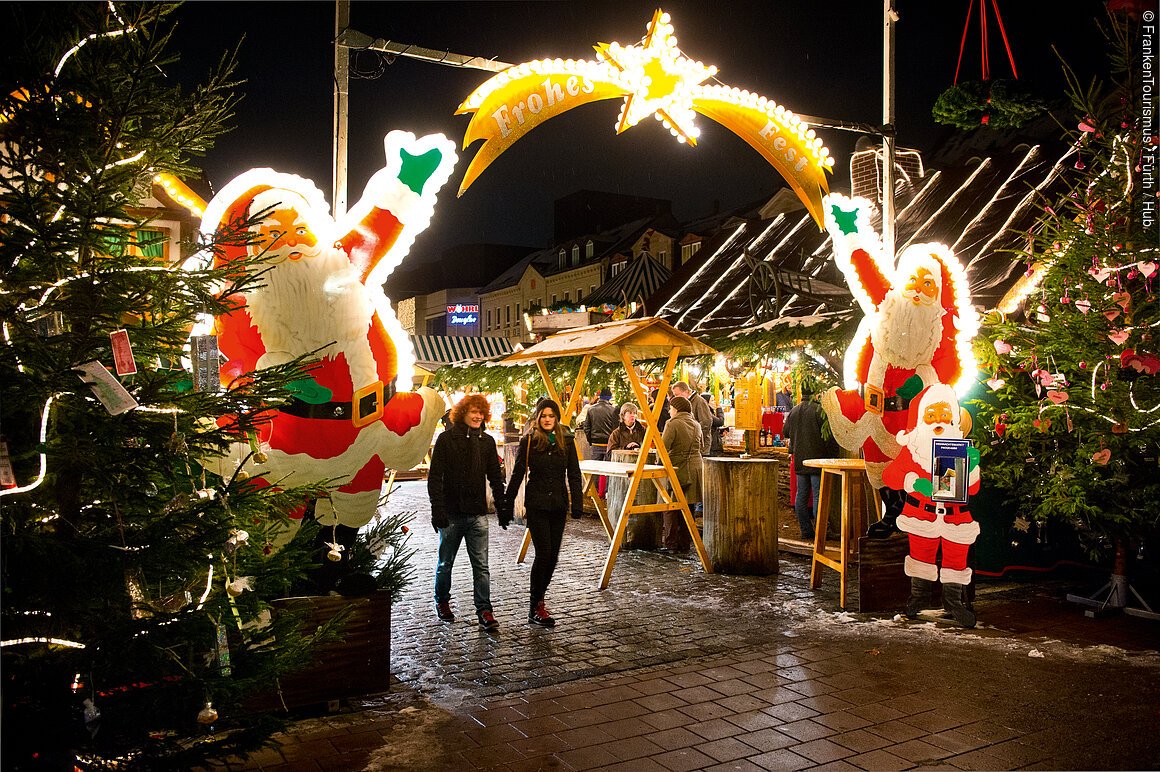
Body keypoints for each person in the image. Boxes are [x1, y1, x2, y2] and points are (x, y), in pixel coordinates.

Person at [882, 383, 981, 628]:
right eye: (932, 415)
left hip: (955, 518)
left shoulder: (960, 451)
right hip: (921, 516)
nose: (939, 421)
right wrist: (914, 483)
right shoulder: (913, 451)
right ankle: (918, 599)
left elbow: (972, 489)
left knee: (956, 560)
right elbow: (890, 476)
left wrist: (972, 469)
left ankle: (953, 602)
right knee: (920, 557)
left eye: (945, 415)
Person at [428, 395, 508, 629]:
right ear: (462, 412)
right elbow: (435, 478)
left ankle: (485, 611)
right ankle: (442, 601)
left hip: (477, 514)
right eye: (473, 411)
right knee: (445, 563)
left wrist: (501, 506)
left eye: (481, 413)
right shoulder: (446, 440)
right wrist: (437, 509)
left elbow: (495, 476)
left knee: (481, 566)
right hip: (452, 514)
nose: (477, 416)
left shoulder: (486, 442)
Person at [505, 398, 584, 626]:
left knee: (553, 557)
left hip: (558, 503)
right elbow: (518, 473)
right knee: (543, 553)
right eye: (544, 416)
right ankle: (536, 605)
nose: (547, 420)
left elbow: (574, 473)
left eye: (551, 416)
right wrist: (507, 503)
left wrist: (576, 503)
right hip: (538, 503)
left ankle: (539, 600)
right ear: (537, 418)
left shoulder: (566, 440)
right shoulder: (529, 440)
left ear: (557, 418)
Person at [783, 386, 840, 540]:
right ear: (815, 393)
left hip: (800, 460)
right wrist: (833, 455)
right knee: (818, 496)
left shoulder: (794, 411)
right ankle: (822, 531)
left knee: (801, 496)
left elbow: (785, 432)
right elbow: (829, 437)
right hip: (817, 460)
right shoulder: (818, 410)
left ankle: (806, 531)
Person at [660, 396, 703, 552]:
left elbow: (663, 448)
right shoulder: (696, 424)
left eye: (671, 408)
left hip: (677, 469)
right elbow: (701, 447)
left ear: (676, 409)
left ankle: (671, 544)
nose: (669, 411)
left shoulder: (672, 424)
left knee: (670, 506)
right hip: (695, 469)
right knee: (688, 506)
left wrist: (658, 461)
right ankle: (685, 543)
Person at [671, 381, 713, 456]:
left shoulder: (699, 401)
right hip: (689, 447)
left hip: (699, 448)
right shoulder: (686, 403)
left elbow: (706, 422)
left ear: (686, 392)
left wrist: (695, 439)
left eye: (677, 395)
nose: (676, 397)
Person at [580, 387, 617, 461]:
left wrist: (590, 441)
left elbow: (587, 428)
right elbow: (615, 429)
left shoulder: (591, 409)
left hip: (595, 443)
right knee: (609, 469)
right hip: (609, 444)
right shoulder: (613, 410)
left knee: (595, 468)